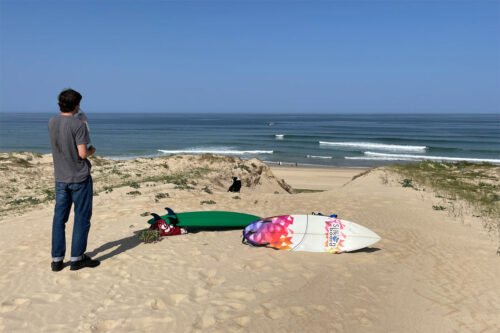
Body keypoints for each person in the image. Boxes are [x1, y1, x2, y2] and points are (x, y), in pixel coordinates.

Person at [48, 88, 100, 272]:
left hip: (61, 177)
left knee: (59, 219)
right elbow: (83, 153)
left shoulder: (52, 121)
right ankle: (77, 258)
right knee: (81, 218)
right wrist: (92, 149)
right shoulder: (78, 124)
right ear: (76, 105)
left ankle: (57, 259)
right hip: (79, 177)